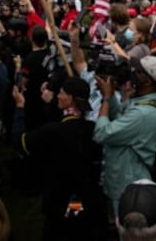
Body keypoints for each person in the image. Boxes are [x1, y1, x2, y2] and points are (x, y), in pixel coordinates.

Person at [12, 77, 104, 241]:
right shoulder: (92, 130)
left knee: (61, 230)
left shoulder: (54, 131)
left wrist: (20, 107)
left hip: (59, 200)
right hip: (85, 198)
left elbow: (19, 142)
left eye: (61, 93)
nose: (57, 96)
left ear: (70, 99)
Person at [92, 55, 156, 213]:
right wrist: (112, 95)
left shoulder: (143, 113)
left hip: (129, 184)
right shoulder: (144, 101)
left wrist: (105, 99)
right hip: (126, 175)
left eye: (138, 71)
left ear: (147, 81)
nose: (132, 73)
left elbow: (101, 134)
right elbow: (120, 117)